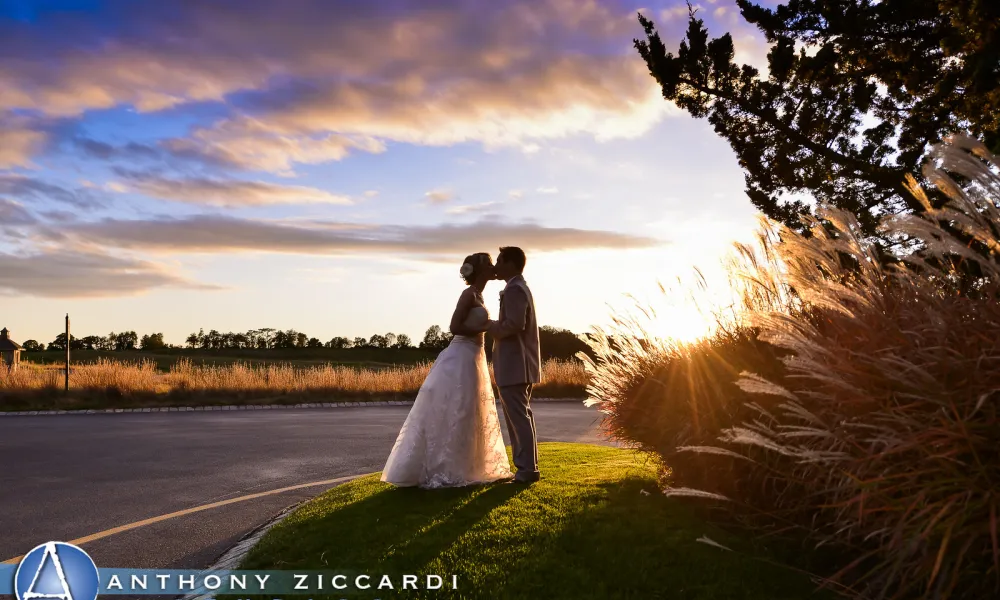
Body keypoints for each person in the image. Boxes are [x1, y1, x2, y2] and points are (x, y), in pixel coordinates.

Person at [381, 252, 512, 488]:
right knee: (457, 408)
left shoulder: (479, 295)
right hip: (461, 355)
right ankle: (444, 467)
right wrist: (480, 327)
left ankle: (468, 465)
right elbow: (454, 327)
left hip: (474, 355)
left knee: (470, 410)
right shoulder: (468, 294)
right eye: (489, 262)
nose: (493, 266)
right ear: (480, 269)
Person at [488, 246, 541, 483]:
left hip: (515, 364)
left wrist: (488, 326)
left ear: (510, 263)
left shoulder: (515, 290)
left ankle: (527, 470)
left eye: (500, 261)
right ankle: (527, 468)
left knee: (519, 419)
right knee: (521, 418)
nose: (496, 266)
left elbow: (514, 324)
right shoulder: (519, 287)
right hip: (519, 365)